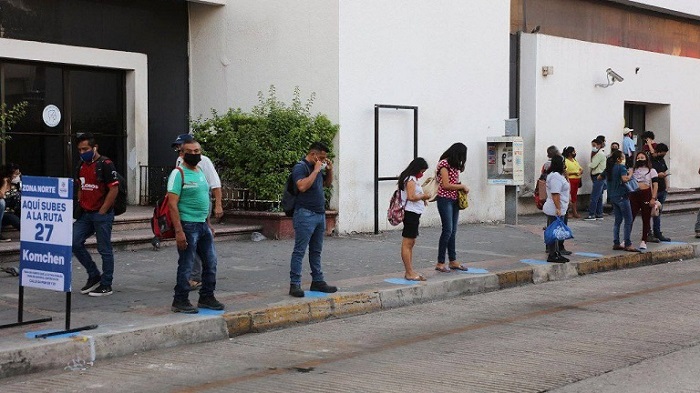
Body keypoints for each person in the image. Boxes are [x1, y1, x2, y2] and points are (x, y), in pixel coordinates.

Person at [167, 138, 224, 313]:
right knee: (187, 264)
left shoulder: (200, 171)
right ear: (182, 154)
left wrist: (208, 223)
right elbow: (172, 204)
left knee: (211, 262)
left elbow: (205, 198)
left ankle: (207, 297)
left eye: (197, 151)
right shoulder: (178, 173)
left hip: (202, 225)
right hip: (187, 225)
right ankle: (180, 300)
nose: (194, 155)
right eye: (190, 152)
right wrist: (179, 231)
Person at [73, 133, 120, 296]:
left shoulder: (105, 164)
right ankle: (94, 275)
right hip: (86, 214)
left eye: (85, 149)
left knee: (104, 249)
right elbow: (80, 185)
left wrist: (102, 211)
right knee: (74, 242)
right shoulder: (81, 165)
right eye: (79, 149)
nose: (81, 152)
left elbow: (114, 188)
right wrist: (80, 203)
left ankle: (106, 284)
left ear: (95, 148)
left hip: (101, 214)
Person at [288, 142, 337, 298]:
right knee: (300, 250)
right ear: (314, 154)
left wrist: (329, 170)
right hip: (305, 213)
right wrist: (316, 170)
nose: (323, 160)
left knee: (316, 250)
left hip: (319, 214)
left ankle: (317, 281)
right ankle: (295, 284)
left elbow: (326, 184)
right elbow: (302, 186)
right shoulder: (300, 167)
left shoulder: (318, 168)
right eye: (321, 157)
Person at [435, 142, 470, 273]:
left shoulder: (455, 166)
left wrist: (460, 187)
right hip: (445, 199)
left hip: (454, 200)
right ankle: (440, 262)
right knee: (447, 230)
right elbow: (446, 185)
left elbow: (452, 183)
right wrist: (462, 186)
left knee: (453, 231)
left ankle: (453, 260)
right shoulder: (444, 164)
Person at [398, 158, 430, 281]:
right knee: (407, 243)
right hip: (410, 213)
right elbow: (411, 196)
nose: (422, 174)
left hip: (414, 213)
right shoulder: (410, 179)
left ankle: (410, 270)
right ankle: (409, 272)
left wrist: (423, 199)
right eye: (421, 171)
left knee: (411, 243)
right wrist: (423, 196)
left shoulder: (412, 179)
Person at [605, 150, 637, 252]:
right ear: (619, 159)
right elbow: (624, 179)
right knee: (628, 220)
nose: (624, 159)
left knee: (617, 220)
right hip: (622, 195)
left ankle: (616, 242)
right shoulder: (621, 167)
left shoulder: (609, 168)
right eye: (623, 158)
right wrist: (630, 174)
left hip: (613, 196)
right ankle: (627, 243)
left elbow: (600, 177)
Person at [543, 155, 571, 262]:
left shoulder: (559, 176)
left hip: (560, 207)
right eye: (563, 163)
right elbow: (555, 194)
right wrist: (558, 208)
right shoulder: (555, 176)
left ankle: (556, 252)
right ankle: (552, 254)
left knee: (557, 231)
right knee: (553, 231)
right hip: (554, 208)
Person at [629, 152, 658, 251]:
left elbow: (655, 185)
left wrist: (653, 198)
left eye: (642, 157)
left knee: (646, 218)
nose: (640, 159)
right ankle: (626, 239)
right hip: (634, 194)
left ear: (646, 159)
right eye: (638, 158)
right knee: (630, 217)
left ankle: (644, 240)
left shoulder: (652, 171)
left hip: (646, 194)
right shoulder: (633, 170)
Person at [649, 143, 671, 242]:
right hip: (653, 189)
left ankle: (657, 231)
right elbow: (648, 175)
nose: (664, 155)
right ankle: (650, 232)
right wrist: (658, 175)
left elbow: (665, 173)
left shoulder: (661, 160)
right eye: (663, 153)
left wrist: (667, 186)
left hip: (662, 189)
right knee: (652, 212)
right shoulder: (651, 161)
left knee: (658, 212)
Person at [585, 139, 606, 221]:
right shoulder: (600, 153)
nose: (593, 147)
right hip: (600, 175)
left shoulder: (599, 154)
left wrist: (588, 164)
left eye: (594, 145)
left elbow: (593, 165)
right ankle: (599, 213)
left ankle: (591, 214)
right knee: (599, 196)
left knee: (594, 196)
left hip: (598, 176)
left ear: (599, 145)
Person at [562, 146, 582, 218]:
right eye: (573, 152)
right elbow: (565, 172)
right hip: (570, 180)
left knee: (574, 197)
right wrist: (574, 173)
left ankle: (574, 212)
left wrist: (580, 171)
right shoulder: (566, 161)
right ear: (569, 153)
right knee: (568, 197)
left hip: (577, 180)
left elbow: (580, 168)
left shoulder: (574, 160)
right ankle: (567, 212)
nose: (575, 153)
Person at [1, 163, 22, 234]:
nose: (17, 176)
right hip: (3, 213)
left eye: (18, 174)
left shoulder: (16, 185)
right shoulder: (2, 184)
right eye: (16, 174)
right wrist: (5, 183)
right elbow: (1, 195)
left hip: (14, 211)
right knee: (12, 218)